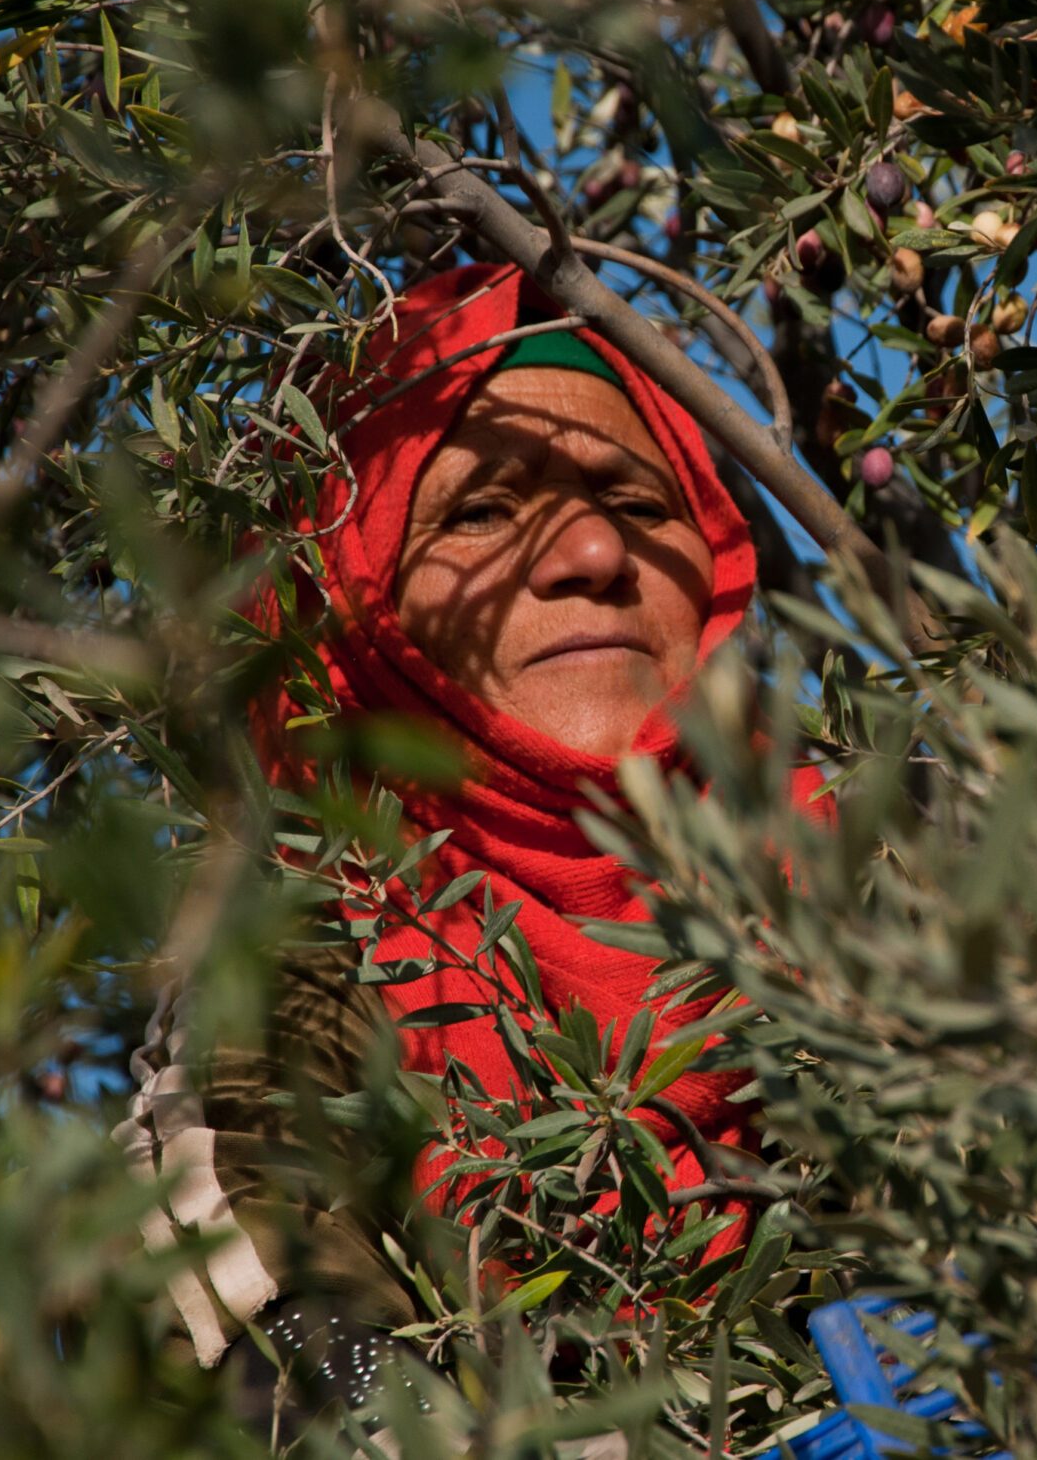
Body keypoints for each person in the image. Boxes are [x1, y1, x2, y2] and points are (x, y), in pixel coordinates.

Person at [114, 262, 830, 1432]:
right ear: (354, 598)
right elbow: (243, 1269)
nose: (594, 552)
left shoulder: (891, 884)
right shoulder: (310, 954)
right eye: (484, 510)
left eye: (643, 505)